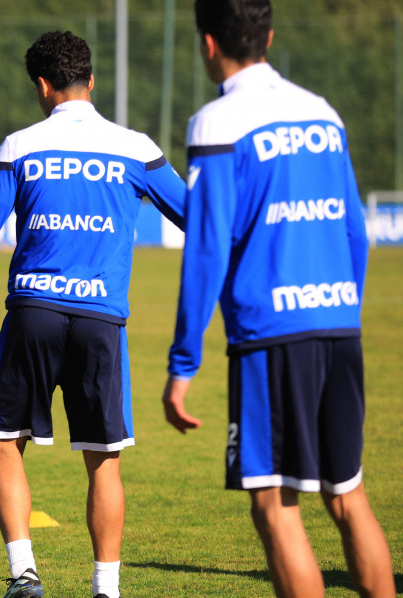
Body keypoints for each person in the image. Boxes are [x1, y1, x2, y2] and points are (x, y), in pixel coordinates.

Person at [0, 31, 186, 598]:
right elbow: (197, 218)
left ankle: (24, 577)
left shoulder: (20, 146)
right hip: (101, 321)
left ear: (42, 85)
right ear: (91, 79)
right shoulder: (135, 147)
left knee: (5, 444)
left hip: (33, 314)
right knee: (102, 461)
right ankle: (106, 589)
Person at [159, 1, 395, 597]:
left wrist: (183, 365)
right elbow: (353, 232)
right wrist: (344, 307)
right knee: (348, 496)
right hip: (339, 327)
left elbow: (206, 251)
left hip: (271, 338)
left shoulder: (217, 123)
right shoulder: (324, 114)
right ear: (269, 35)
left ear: (209, 44)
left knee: (274, 503)